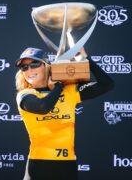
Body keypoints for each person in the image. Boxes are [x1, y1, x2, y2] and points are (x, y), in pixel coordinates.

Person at [15, 47, 114, 180]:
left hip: (67, 166)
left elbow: (107, 84)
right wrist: (59, 86)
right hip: (39, 165)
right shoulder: (25, 94)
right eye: (24, 67)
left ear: (46, 66)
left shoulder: (69, 91)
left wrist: (86, 59)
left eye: (34, 64)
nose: (29, 70)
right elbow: (43, 107)